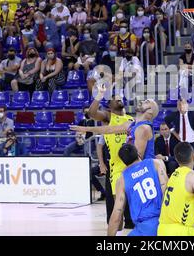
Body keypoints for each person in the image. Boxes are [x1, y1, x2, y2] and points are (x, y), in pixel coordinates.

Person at [87, 89, 134, 228]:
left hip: (131, 166)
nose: (119, 98)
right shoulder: (108, 118)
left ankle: (132, 224)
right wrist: (99, 95)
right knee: (114, 206)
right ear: (109, 105)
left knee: (132, 201)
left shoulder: (131, 120)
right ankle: (115, 226)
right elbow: (92, 113)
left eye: (120, 97)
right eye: (115, 98)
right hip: (114, 167)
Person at [72, 93, 159, 160]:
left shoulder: (143, 128)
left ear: (150, 111)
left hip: (140, 171)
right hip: (125, 165)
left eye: (146, 102)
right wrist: (86, 128)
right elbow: (109, 129)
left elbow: (138, 158)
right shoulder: (131, 123)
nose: (141, 101)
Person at [108, 143, 168, 236]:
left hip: (145, 228)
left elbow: (117, 215)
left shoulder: (122, 180)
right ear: (138, 154)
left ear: (124, 162)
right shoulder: (157, 163)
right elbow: (168, 192)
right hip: (166, 222)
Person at [157, 142, 194, 236]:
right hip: (180, 232)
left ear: (176, 159)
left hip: (163, 229)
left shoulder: (174, 175)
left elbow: (177, 199)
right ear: (193, 156)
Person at [164, 98, 194, 171]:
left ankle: (193, 181)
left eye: (183, 104)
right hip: (182, 144)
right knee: (182, 167)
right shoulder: (174, 115)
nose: (181, 107)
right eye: (179, 105)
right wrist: (174, 132)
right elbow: (166, 119)